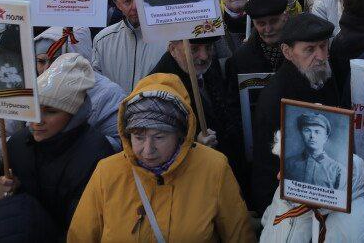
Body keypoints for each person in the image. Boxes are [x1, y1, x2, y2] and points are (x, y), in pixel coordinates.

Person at [68, 73, 254, 241]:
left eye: (159, 137)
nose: (148, 150)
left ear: (181, 134)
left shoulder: (214, 168)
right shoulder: (107, 172)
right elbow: (80, 237)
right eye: (138, 137)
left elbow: (239, 236)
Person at [0, 54, 115, 240]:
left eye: (51, 111)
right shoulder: (17, 144)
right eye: (34, 108)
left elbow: (86, 225)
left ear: (74, 114)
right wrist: (6, 194)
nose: (37, 120)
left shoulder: (96, 154)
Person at [251, 13, 339, 212]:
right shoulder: (276, 98)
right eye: (309, 49)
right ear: (287, 52)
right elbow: (267, 164)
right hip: (289, 204)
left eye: (323, 46)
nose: (321, 56)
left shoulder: (325, 77)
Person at [149, 38, 244, 180]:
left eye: (209, 47)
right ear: (173, 49)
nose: (205, 56)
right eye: (194, 49)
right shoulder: (158, 91)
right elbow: (153, 151)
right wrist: (194, 145)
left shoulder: (209, 68)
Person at [91, 0, 167, 93]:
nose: (135, 7)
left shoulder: (170, 40)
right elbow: (96, 89)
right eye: (128, 1)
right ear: (118, 5)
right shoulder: (102, 41)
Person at [283, 111, 345, 188]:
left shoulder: (337, 169)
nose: (312, 136)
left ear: (325, 138)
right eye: (307, 130)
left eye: (317, 132)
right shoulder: (289, 164)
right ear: (301, 134)